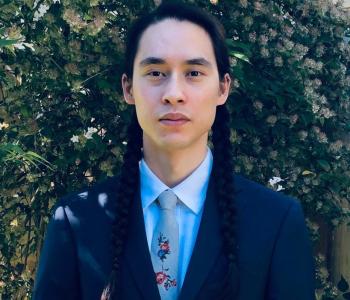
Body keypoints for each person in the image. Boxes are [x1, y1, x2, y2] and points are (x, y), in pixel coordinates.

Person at [32, 1, 316, 300]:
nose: (173, 94)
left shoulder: (276, 221)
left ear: (223, 88)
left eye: (194, 73)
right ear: (128, 88)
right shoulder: (77, 220)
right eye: (155, 72)